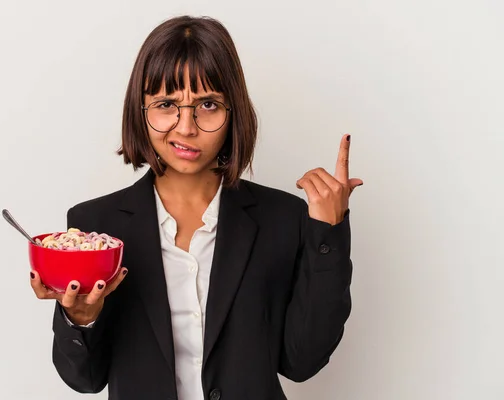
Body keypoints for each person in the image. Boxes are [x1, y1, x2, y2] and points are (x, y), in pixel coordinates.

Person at [29, 15, 362, 400]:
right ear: (141, 110)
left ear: (233, 110)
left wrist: (329, 232)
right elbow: (84, 379)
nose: (186, 127)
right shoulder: (94, 226)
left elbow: (301, 362)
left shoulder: (284, 219)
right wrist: (80, 319)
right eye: (167, 104)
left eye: (207, 104)